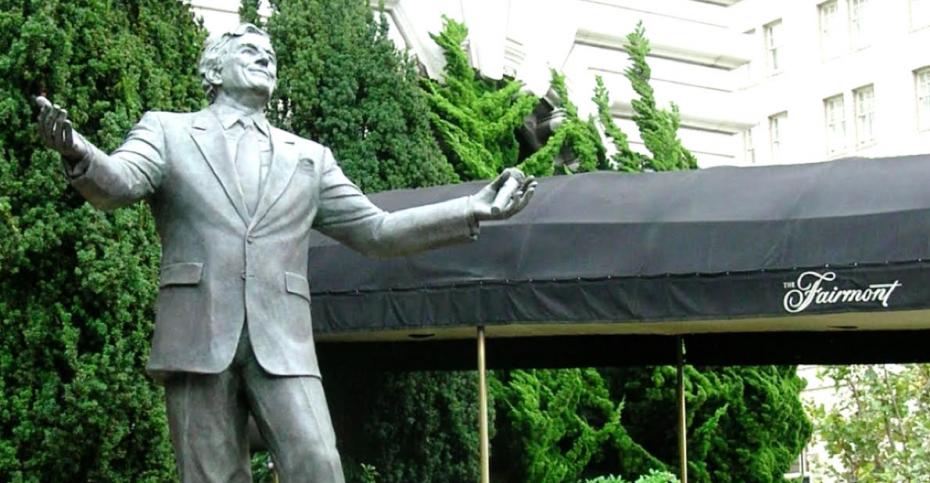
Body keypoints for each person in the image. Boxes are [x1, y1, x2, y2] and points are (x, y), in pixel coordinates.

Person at [35, 23, 535, 483]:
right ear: (213, 69)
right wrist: (80, 152)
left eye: (270, 55)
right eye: (250, 51)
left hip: (284, 339)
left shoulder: (310, 158)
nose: (265, 59)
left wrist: (471, 208)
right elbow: (119, 183)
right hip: (197, 332)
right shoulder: (169, 131)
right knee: (211, 476)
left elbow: (377, 231)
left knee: (317, 462)